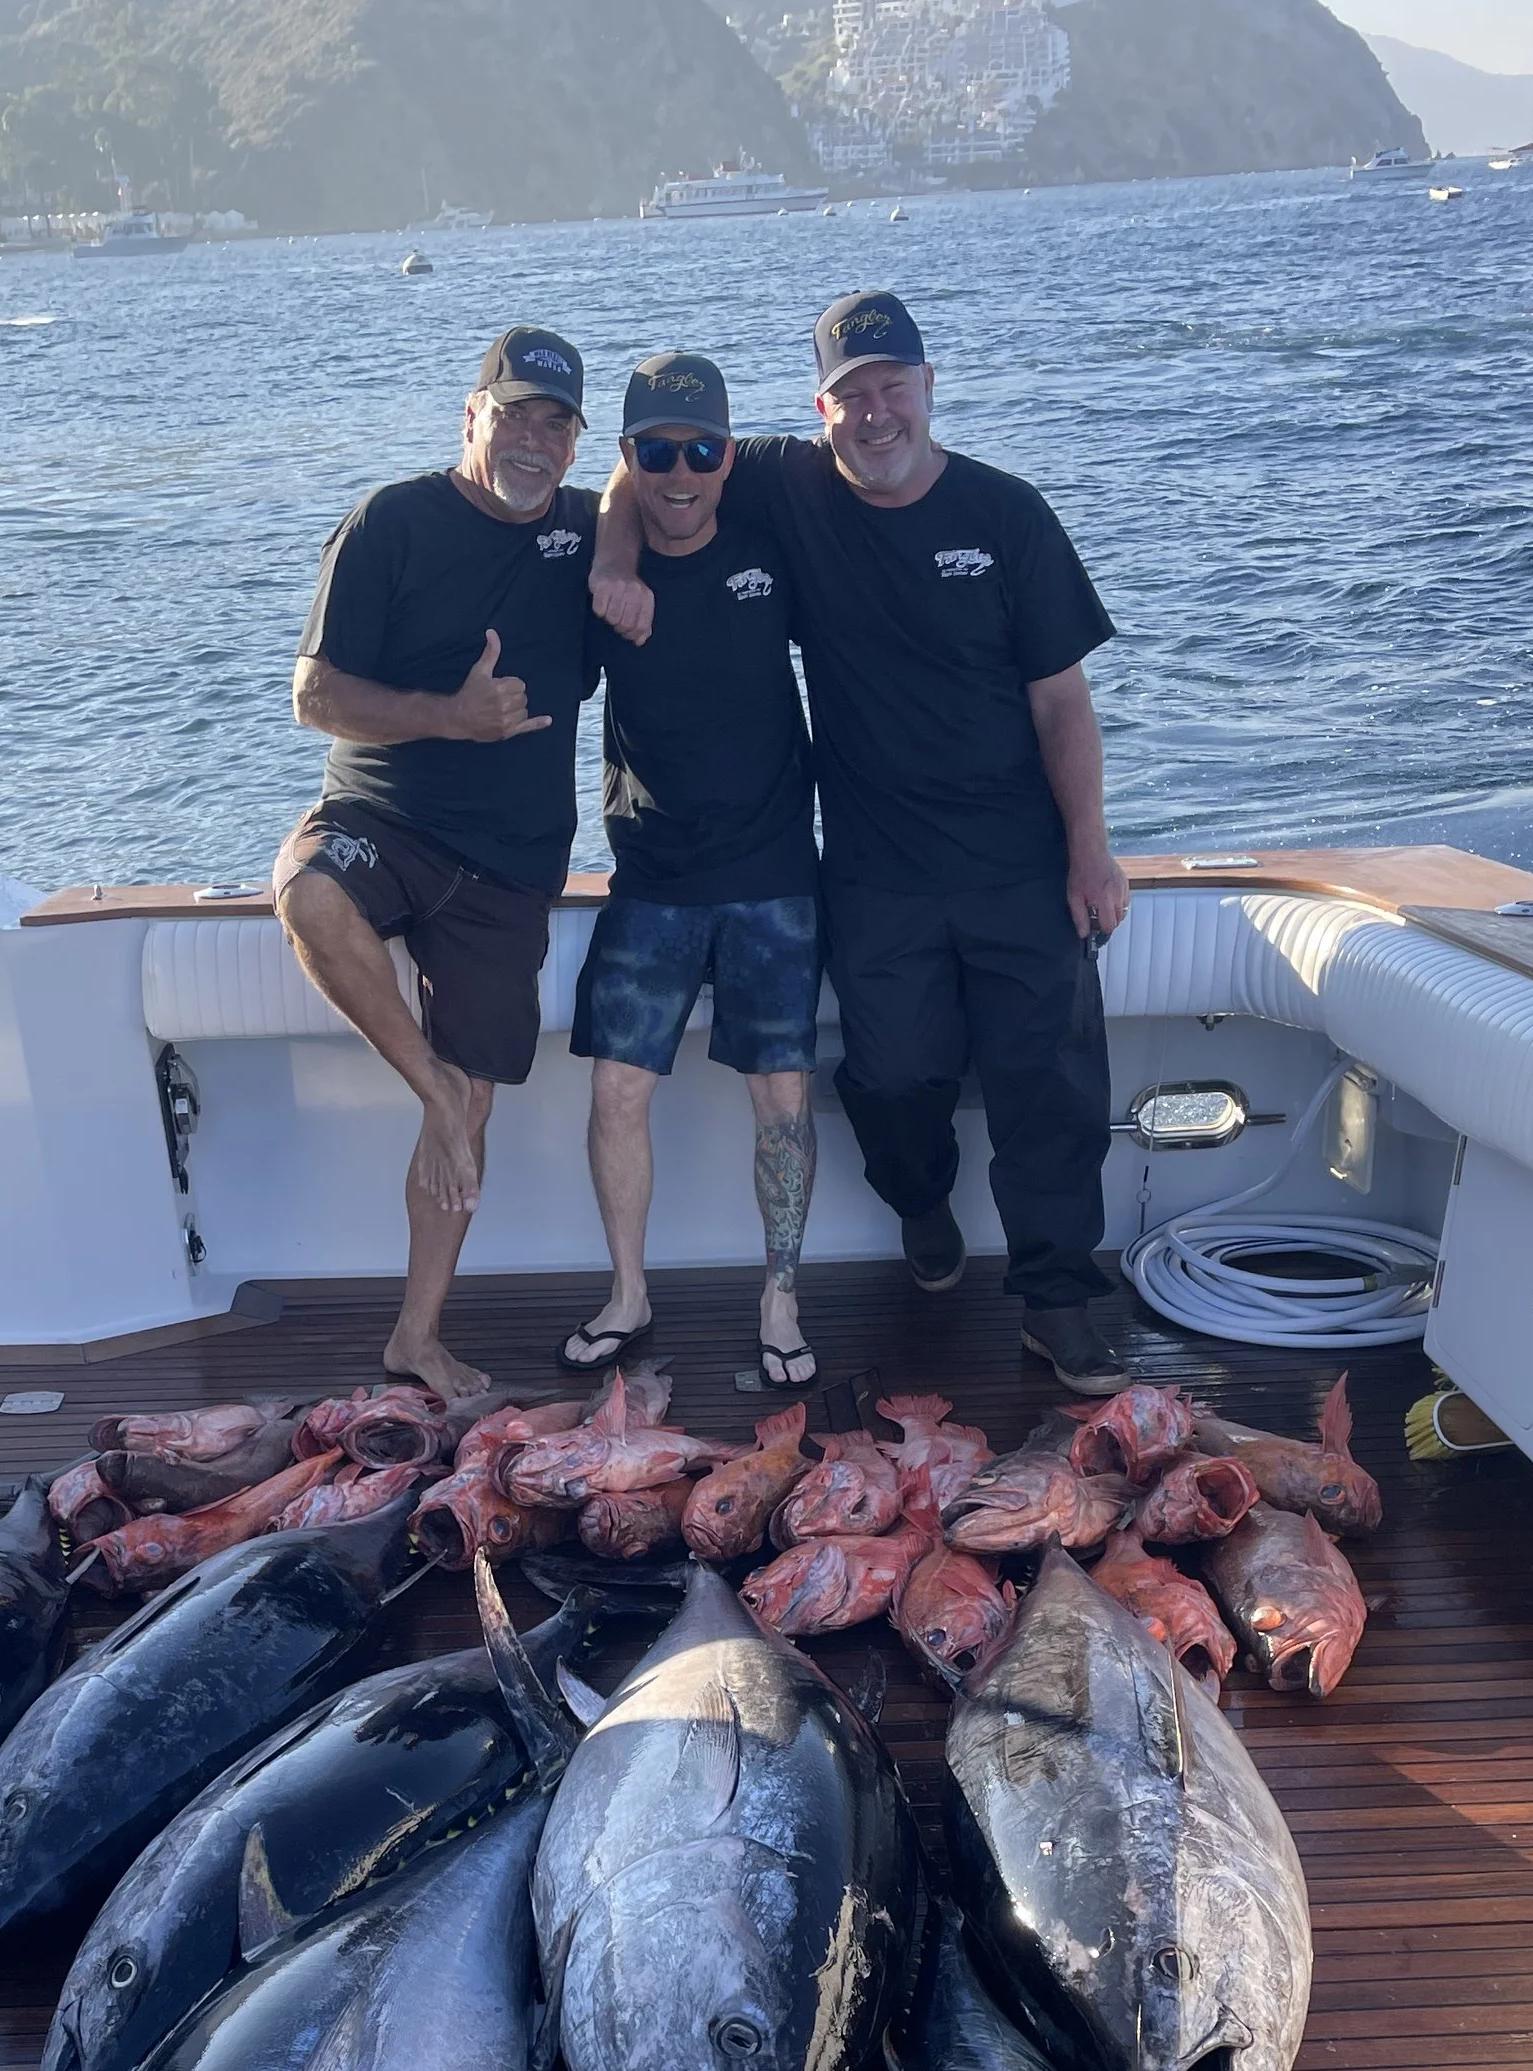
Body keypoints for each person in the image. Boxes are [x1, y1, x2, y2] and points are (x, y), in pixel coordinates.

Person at [591, 290, 1132, 1395]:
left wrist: (1092, 848)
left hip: (1018, 856)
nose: (875, 413)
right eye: (852, 395)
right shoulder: (790, 487)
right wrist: (611, 557)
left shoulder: (1007, 513)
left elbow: (1062, 702)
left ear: (929, 389)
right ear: (820, 410)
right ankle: (920, 1198)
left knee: (1048, 1084)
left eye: (894, 388)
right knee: (889, 1078)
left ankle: (1059, 1298)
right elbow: (648, 462)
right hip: (876, 867)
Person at [277, 326, 599, 1397]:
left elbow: (677, 521)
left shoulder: (588, 532)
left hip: (507, 866)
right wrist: (450, 720)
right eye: (513, 415)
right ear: (471, 416)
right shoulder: (391, 522)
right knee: (308, 892)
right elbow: (313, 696)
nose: (532, 441)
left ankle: (415, 1337)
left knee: (483, 1102)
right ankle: (431, 1091)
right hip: (389, 819)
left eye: (556, 424)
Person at [565, 351, 824, 1388]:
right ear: (627, 458)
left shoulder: (774, 538)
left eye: (702, 449)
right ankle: (628, 1294)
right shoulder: (599, 579)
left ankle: (782, 1297)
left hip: (773, 876)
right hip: (653, 879)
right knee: (616, 1089)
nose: (682, 473)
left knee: (783, 1102)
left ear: (730, 453)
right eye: (657, 452)